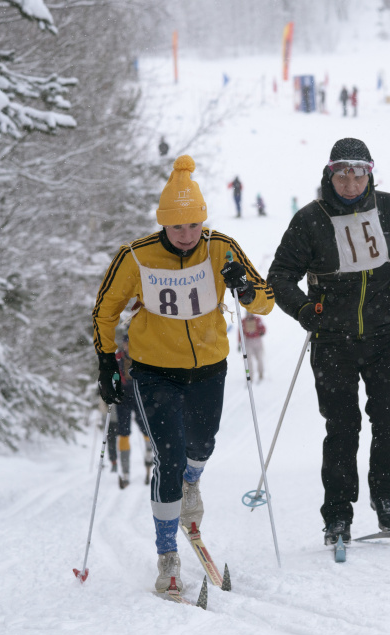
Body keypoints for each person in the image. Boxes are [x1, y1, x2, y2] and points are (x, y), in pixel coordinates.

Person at [93, 155, 274, 594]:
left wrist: (245, 288)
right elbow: (104, 310)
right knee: (168, 456)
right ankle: (167, 555)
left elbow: (266, 301)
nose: (188, 236)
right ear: (164, 225)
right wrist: (105, 362)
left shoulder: (220, 246)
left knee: (202, 444)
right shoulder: (136, 256)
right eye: (178, 228)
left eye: (194, 226)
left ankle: (193, 483)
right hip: (154, 372)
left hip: (209, 368)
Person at [267, 138, 390, 546]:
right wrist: (305, 311)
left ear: (370, 174)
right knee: (342, 428)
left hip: (385, 336)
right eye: (342, 172)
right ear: (330, 173)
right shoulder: (311, 219)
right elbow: (280, 277)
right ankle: (338, 515)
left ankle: (384, 495)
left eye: (359, 173)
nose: (351, 181)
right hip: (332, 341)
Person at [106, 328, 154, 488]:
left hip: (140, 396)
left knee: (145, 427)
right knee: (123, 432)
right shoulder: (117, 358)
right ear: (123, 344)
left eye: (131, 344)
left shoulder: (142, 357)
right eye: (126, 344)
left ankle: (149, 452)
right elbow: (110, 375)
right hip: (123, 398)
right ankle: (125, 470)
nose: (128, 347)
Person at [239, 312, 267, 381]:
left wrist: (262, 332)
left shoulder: (257, 319)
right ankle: (250, 376)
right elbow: (240, 332)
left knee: (259, 358)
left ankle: (261, 374)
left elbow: (262, 328)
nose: (249, 316)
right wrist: (240, 342)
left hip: (257, 341)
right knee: (248, 361)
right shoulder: (243, 321)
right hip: (248, 342)